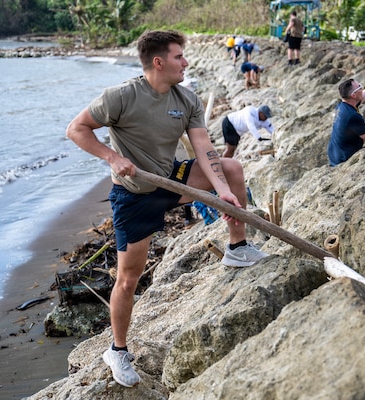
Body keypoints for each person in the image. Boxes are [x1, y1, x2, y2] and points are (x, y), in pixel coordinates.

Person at [65, 30, 269, 388]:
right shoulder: (121, 96)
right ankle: (118, 350)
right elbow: (76, 129)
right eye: (179, 57)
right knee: (128, 278)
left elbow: (204, 149)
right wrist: (113, 158)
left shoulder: (186, 98)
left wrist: (223, 192)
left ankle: (237, 248)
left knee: (233, 169)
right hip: (135, 194)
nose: (186, 62)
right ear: (158, 62)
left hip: (171, 178)